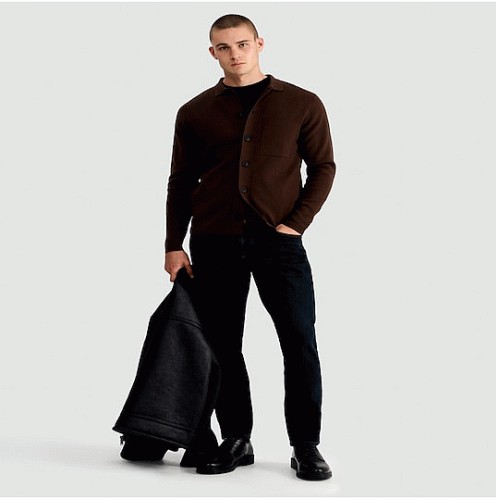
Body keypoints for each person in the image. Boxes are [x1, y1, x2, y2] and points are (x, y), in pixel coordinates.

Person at [164, 14, 336, 481]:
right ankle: (236, 439)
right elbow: (181, 181)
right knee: (223, 344)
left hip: (278, 244)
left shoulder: (301, 103)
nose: (235, 54)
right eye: (224, 47)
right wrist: (174, 244)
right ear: (212, 53)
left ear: (259, 43)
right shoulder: (194, 112)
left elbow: (323, 167)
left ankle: (306, 445)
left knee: (299, 341)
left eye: (242, 44)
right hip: (213, 241)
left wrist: (294, 225)